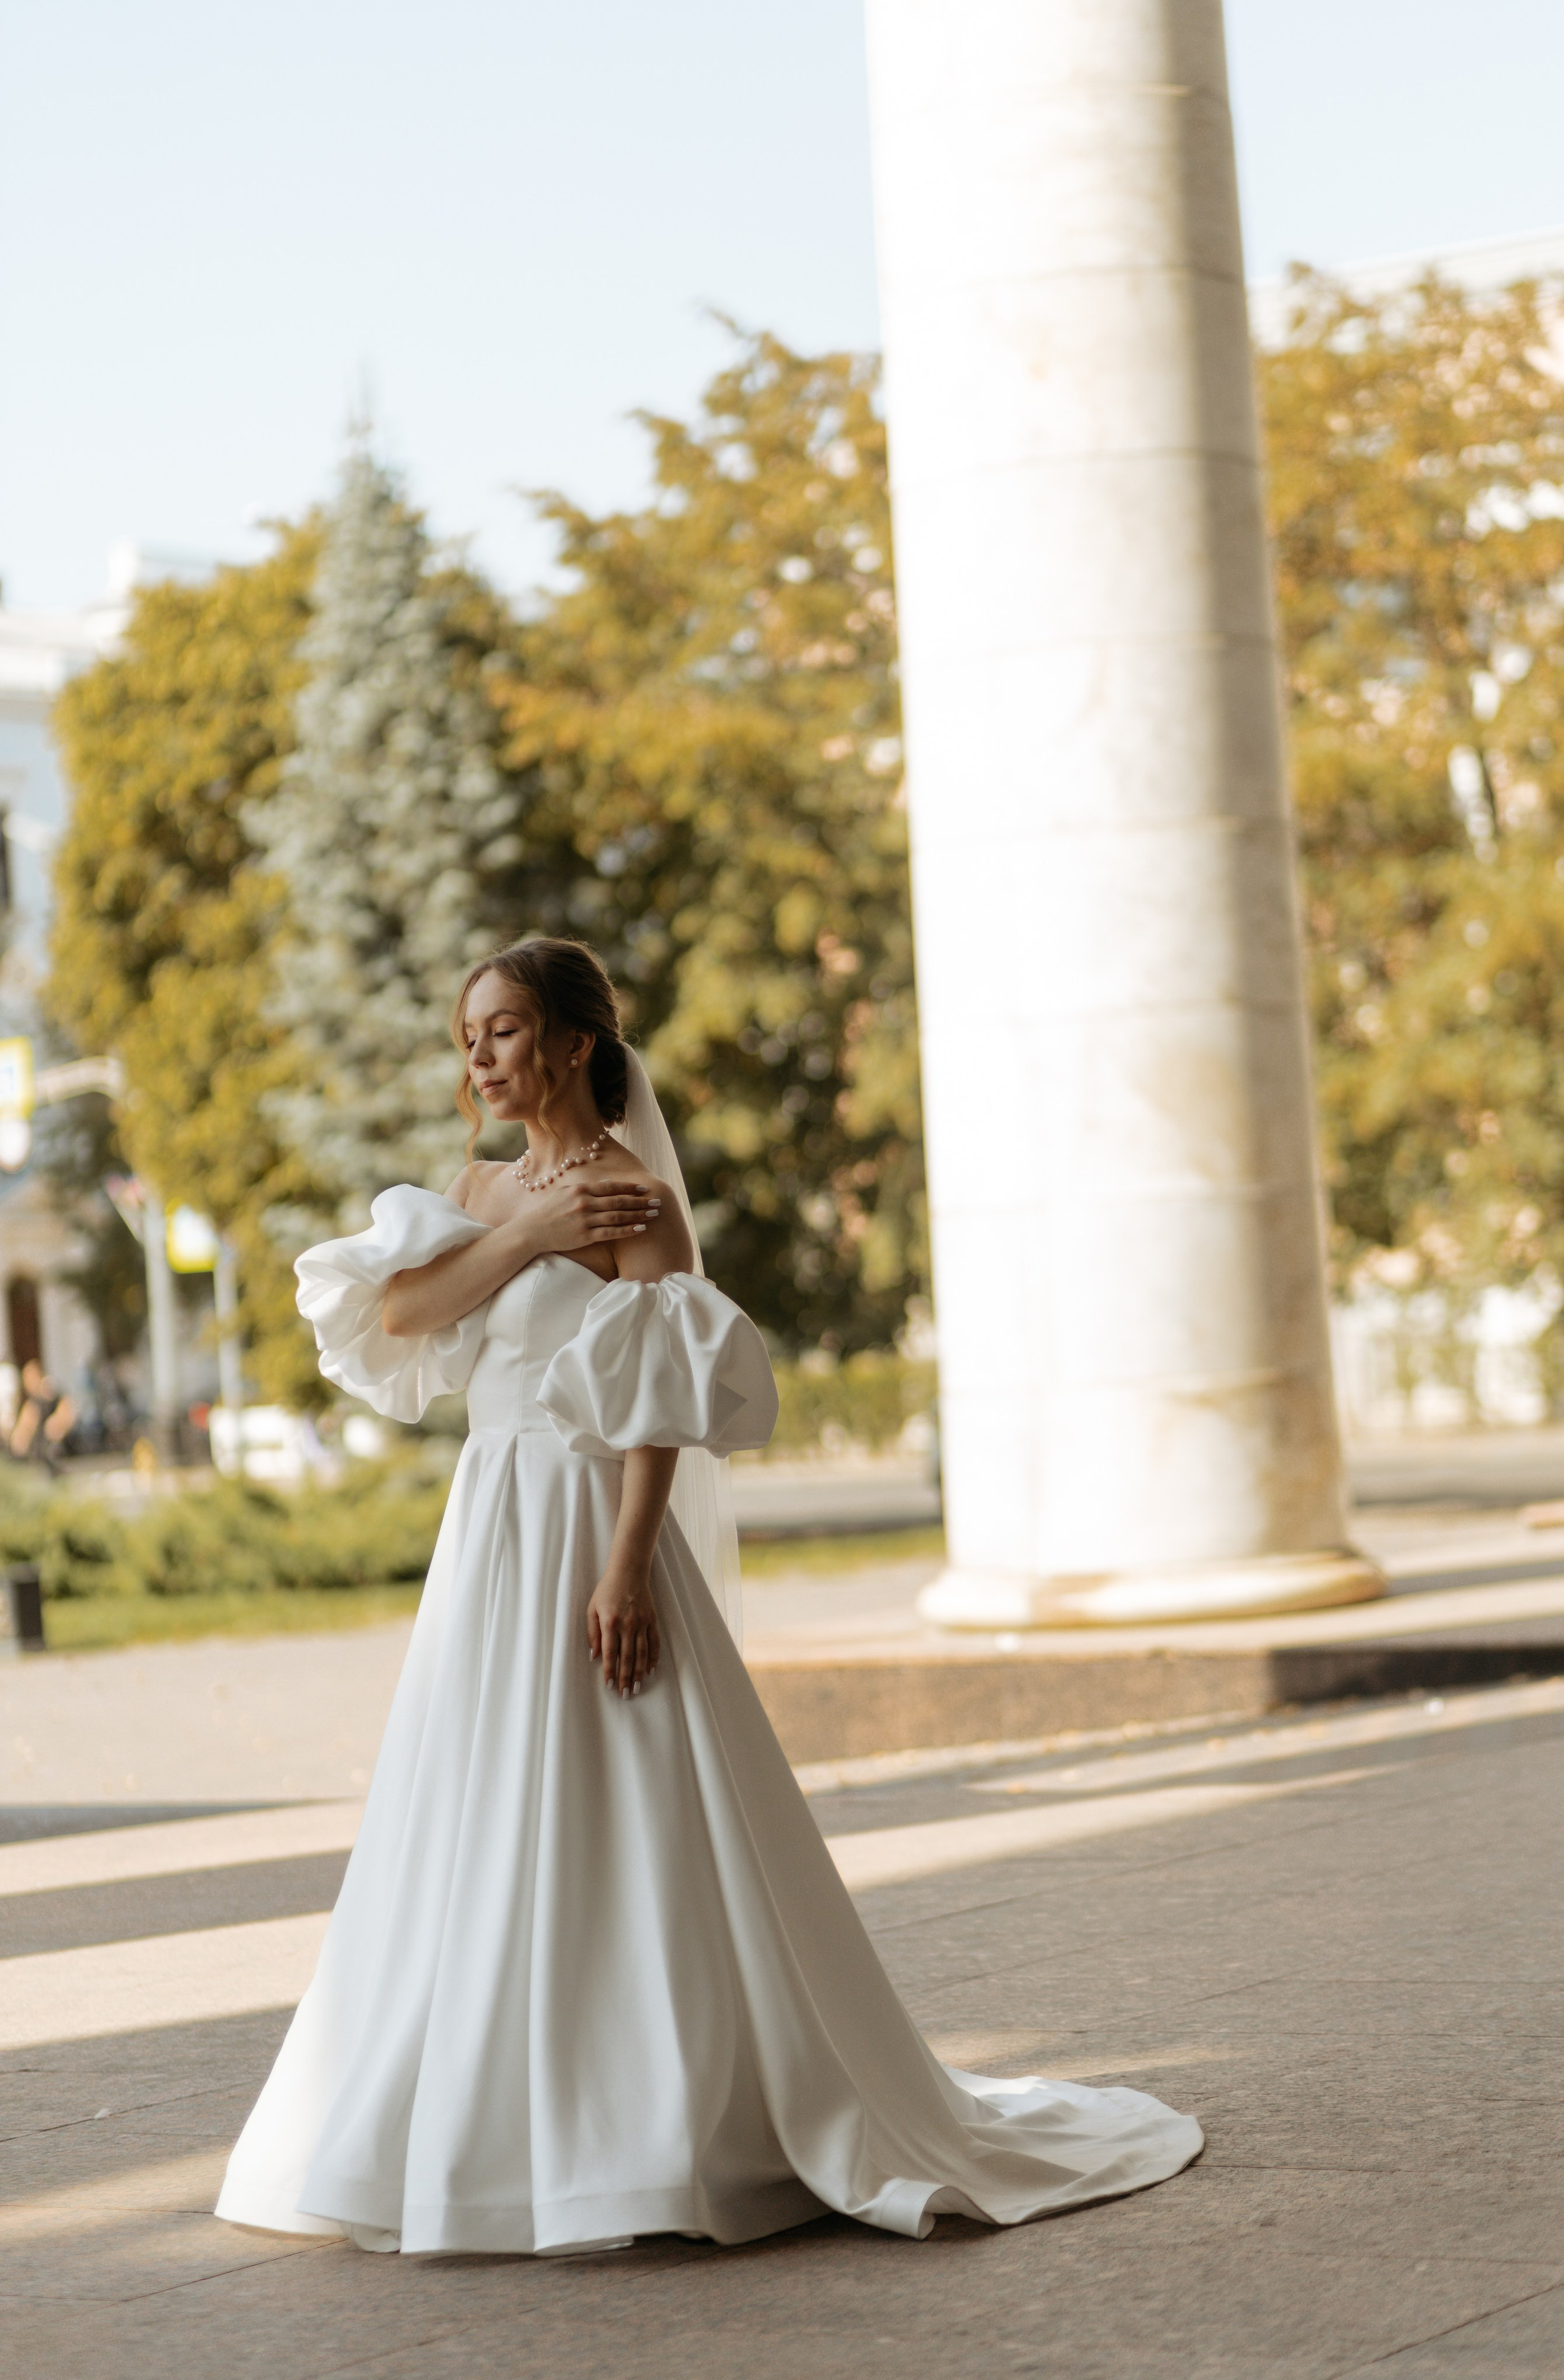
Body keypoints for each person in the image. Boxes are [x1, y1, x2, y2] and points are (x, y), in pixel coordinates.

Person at [217, 937, 1200, 2257]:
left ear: (572, 1042)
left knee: (626, 1806)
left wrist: (628, 1566)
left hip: (590, 1521)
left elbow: (658, 1408)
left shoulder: (636, 1200)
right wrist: (525, 1233)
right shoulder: (482, 1188)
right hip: (491, 1527)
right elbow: (402, 1319)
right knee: (476, 1805)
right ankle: (475, 2116)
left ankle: (660, 2123)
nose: (479, 1059)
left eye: (503, 1032)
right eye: (468, 1038)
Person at [9, 1358, 76, 1475]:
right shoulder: (32, 1403)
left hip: (55, 1452)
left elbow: (66, 1408)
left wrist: (58, 1424)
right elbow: (24, 1430)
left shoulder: (51, 1395)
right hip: (39, 1458)